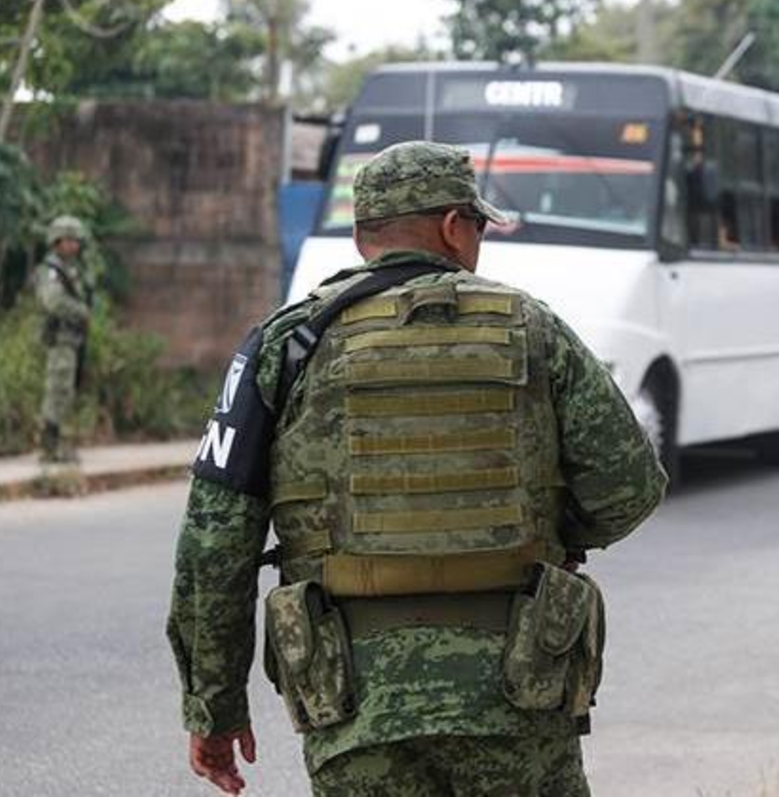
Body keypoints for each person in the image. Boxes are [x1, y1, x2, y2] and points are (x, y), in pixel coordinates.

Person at [167, 140, 667, 797]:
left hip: (352, 701)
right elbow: (628, 488)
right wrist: (553, 535)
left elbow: (214, 544)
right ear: (455, 227)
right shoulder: (535, 330)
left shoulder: (285, 346)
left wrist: (215, 708)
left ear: (361, 236)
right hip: (520, 687)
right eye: (479, 225)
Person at [37, 215, 93, 464]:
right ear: (57, 241)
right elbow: (53, 301)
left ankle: (57, 444)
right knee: (57, 390)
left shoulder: (69, 270)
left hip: (71, 341)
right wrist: (81, 312)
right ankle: (50, 448)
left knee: (66, 391)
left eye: (76, 241)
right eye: (70, 240)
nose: (75, 246)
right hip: (60, 339)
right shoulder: (51, 270)